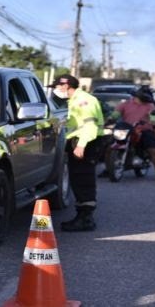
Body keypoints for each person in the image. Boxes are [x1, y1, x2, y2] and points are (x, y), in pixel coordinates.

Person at [51, 74, 104, 232]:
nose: (55, 90)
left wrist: (81, 146)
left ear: (65, 86)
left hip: (86, 143)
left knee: (83, 180)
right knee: (78, 179)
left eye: (57, 86)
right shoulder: (74, 100)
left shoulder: (83, 101)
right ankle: (82, 216)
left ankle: (86, 219)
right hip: (81, 142)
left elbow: (90, 126)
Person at [109, 89, 155, 181]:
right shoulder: (125, 104)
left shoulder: (150, 106)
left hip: (144, 130)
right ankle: (108, 168)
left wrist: (153, 120)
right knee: (110, 147)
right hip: (126, 129)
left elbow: (153, 117)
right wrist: (111, 118)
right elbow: (116, 114)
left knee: (153, 150)